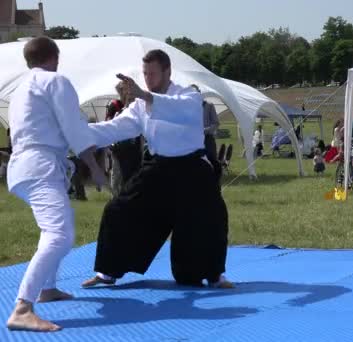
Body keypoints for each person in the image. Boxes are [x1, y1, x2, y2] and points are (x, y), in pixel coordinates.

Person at [81, 50, 232, 289]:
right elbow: (115, 128)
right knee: (118, 210)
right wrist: (77, 132)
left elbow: (182, 112)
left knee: (209, 218)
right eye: (145, 74)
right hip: (159, 167)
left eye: (153, 73)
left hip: (192, 169)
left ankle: (213, 275)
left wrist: (145, 95)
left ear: (167, 72)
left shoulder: (188, 96)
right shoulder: (141, 105)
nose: (148, 78)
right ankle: (107, 272)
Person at [5, 37, 106, 332]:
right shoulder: (55, 81)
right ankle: (22, 307)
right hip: (40, 166)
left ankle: (47, 288)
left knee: (53, 228)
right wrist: (95, 168)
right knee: (60, 233)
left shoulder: (21, 88)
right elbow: (72, 127)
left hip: (24, 167)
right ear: (55, 57)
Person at [106, 83, 143, 197]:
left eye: (128, 91)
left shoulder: (138, 108)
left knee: (133, 179)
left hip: (134, 149)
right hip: (119, 150)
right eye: (124, 91)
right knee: (119, 179)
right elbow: (110, 124)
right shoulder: (116, 106)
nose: (127, 94)